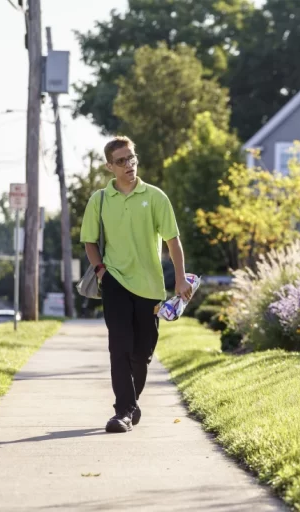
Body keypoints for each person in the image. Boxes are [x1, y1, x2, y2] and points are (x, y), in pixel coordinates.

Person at [80, 136, 194, 433]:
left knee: (141, 354)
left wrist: (180, 278)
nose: (129, 165)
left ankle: (131, 404)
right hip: (115, 281)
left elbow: (173, 241)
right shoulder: (100, 200)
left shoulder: (155, 197)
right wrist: (101, 271)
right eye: (121, 161)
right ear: (109, 166)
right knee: (119, 347)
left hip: (150, 286)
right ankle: (123, 412)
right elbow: (89, 241)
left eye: (131, 158)